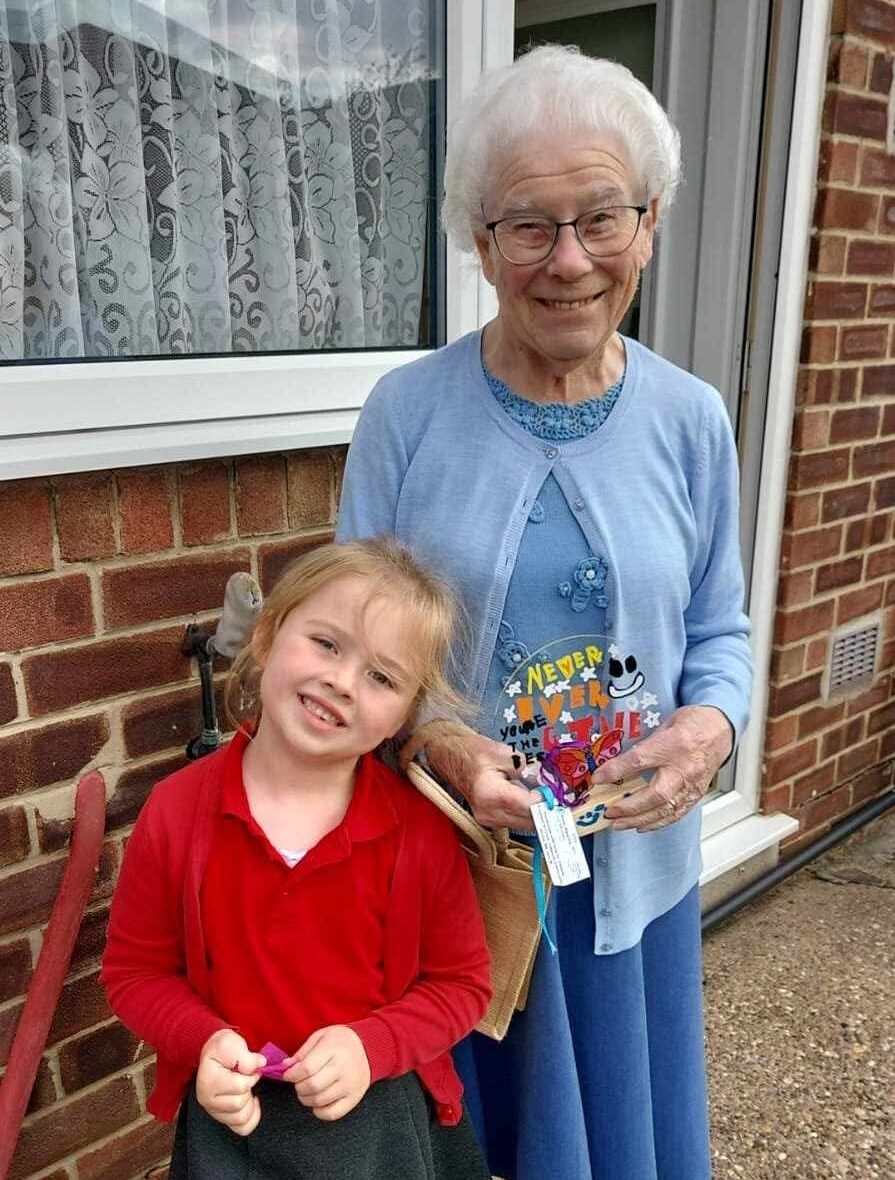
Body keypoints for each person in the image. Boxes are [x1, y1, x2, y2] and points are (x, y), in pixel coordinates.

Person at [336, 45, 752, 1180]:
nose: (568, 261)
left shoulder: (690, 419)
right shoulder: (405, 414)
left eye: (601, 218)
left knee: (619, 1133)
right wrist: (445, 746)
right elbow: (353, 654)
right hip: (457, 881)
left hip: (632, 880)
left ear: (649, 225)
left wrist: (706, 735)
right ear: (481, 245)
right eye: (528, 226)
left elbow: (720, 632)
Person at [101, 539, 492, 1180]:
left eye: (382, 677)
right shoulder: (175, 812)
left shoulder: (419, 833)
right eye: (327, 644)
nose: (342, 682)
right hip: (232, 1120)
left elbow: (462, 985)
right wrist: (203, 1040)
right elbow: (135, 972)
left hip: (379, 1119)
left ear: (404, 715)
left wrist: (373, 1045)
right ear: (266, 637)